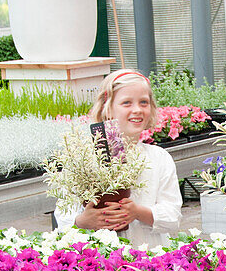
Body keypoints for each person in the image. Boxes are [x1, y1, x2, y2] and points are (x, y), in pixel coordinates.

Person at [56, 68, 183, 249]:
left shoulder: (158, 158)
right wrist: (83, 220)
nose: (137, 110)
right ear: (108, 109)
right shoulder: (83, 157)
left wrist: (138, 212)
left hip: (147, 256)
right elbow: (62, 214)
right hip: (97, 257)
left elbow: (173, 217)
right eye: (126, 103)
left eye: (143, 102)